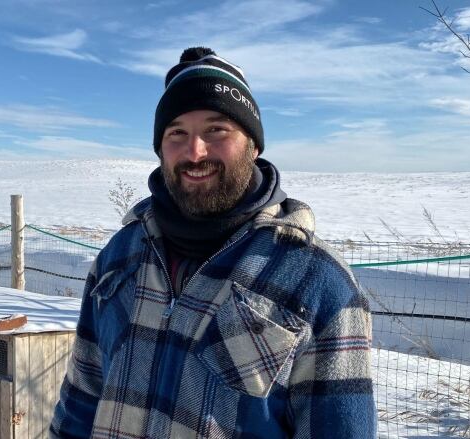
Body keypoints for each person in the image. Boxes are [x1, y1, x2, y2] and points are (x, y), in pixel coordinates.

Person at [51, 47, 376, 438]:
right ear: (160, 149)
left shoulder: (317, 280)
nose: (195, 151)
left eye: (216, 130)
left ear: (253, 145)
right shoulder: (119, 257)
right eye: (177, 133)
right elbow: (82, 398)